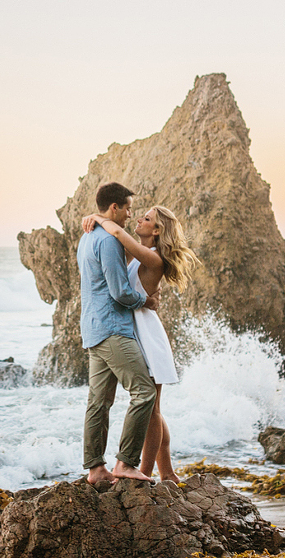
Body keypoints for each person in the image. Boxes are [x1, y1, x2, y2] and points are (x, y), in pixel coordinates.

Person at [82, 204, 202, 482]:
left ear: (157, 231)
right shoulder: (141, 254)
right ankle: (168, 472)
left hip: (146, 334)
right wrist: (97, 219)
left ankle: (144, 472)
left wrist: (100, 219)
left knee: (152, 409)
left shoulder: (153, 257)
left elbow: (116, 232)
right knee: (152, 410)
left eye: (146, 219)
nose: (139, 219)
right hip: (132, 329)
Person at [78, 182, 156, 484]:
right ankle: (125, 463)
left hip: (92, 328)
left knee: (98, 401)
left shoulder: (86, 237)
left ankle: (96, 469)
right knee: (144, 391)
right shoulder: (109, 242)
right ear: (114, 208)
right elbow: (120, 292)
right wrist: (145, 300)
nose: (129, 215)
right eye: (127, 209)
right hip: (112, 328)